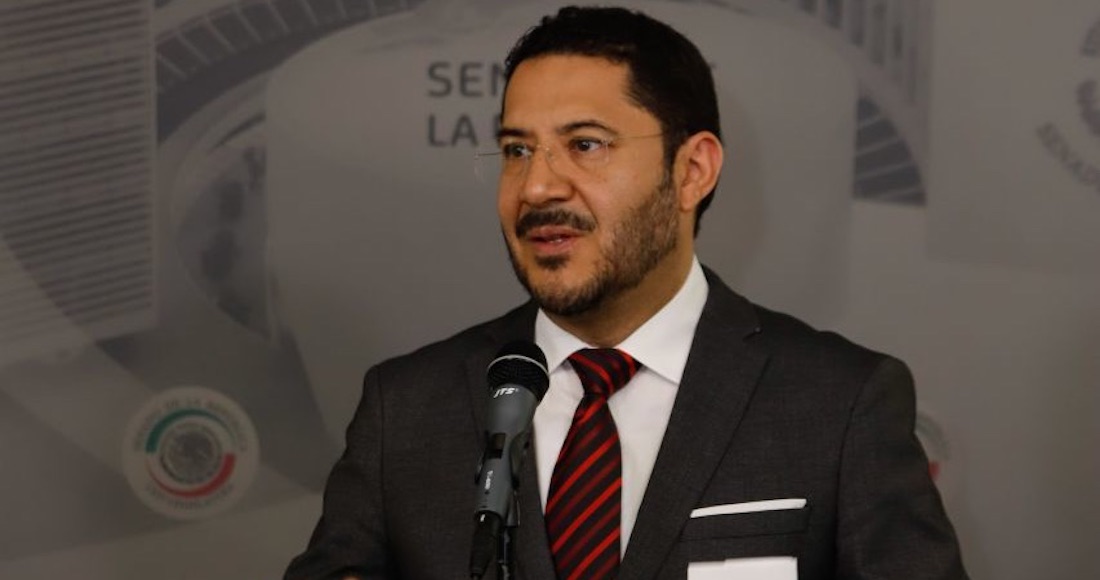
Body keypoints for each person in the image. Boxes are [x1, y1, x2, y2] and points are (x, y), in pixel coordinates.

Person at [285, 5, 968, 579]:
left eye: (585, 145)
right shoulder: (406, 411)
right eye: (517, 150)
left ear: (692, 171)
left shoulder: (838, 403)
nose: (537, 187)